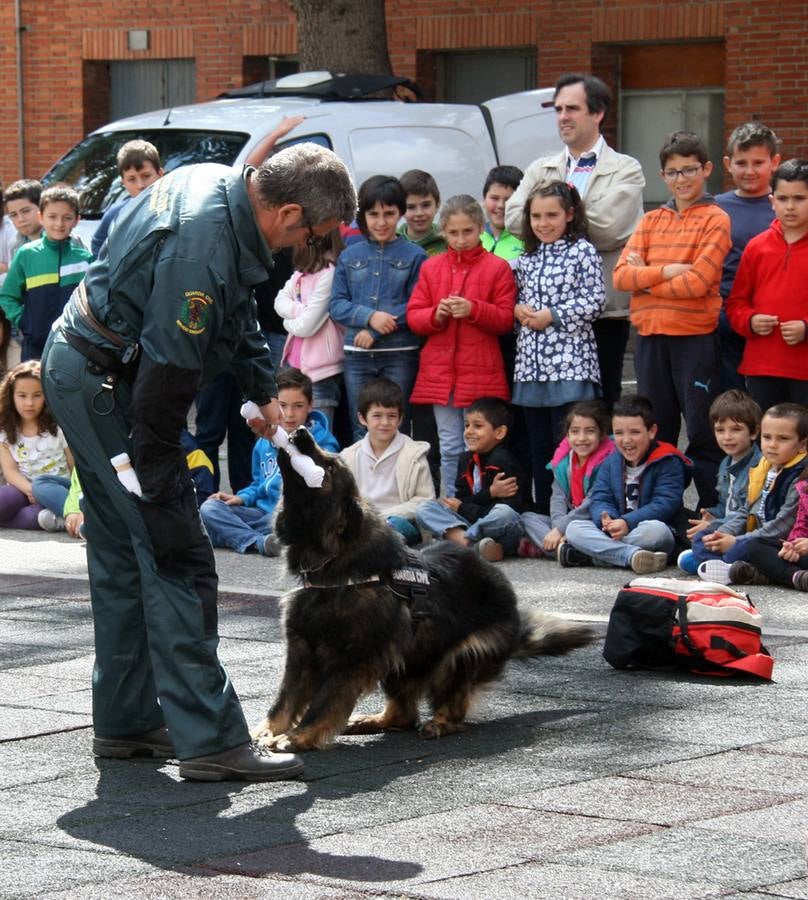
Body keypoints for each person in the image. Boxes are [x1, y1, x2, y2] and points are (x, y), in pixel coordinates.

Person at [41, 142, 356, 782]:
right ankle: (210, 738)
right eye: (314, 236)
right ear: (289, 210)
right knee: (175, 551)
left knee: (123, 551)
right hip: (113, 385)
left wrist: (264, 390)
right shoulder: (202, 247)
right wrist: (161, 479)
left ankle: (127, 721)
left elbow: (235, 310)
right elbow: (166, 379)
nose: (311, 251)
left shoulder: (221, 183)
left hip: (86, 364)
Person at [505, 73, 644, 409]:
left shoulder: (625, 169)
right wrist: (566, 218)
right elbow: (512, 219)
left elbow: (610, 227)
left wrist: (547, 221)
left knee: (598, 411)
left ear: (597, 114)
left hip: (604, 313)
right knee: (545, 417)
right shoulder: (542, 167)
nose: (563, 116)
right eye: (558, 109)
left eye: (572, 109)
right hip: (540, 318)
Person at [614, 130, 731, 509]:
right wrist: (668, 271)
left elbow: (699, 283)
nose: (682, 179)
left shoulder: (716, 219)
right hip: (650, 339)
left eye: (689, 170)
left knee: (702, 430)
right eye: (673, 172)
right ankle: (662, 508)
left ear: (707, 169)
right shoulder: (651, 221)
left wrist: (646, 277)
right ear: (663, 176)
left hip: (693, 339)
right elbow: (621, 278)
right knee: (658, 429)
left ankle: (710, 509)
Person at [406, 195, 515, 496]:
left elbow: (506, 320)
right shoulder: (431, 268)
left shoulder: (497, 267)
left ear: (480, 227)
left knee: (482, 445)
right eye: (453, 233)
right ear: (443, 231)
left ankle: (480, 504)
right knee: (450, 444)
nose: (461, 239)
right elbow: (414, 317)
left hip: (480, 372)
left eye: (467, 231)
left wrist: (474, 309)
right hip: (442, 373)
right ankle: (450, 503)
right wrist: (436, 315)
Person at [513, 180, 606, 513]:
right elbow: (519, 300)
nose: (543, 223)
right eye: (536, 215)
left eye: (551, 214)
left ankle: (576, 508)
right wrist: (518, 310)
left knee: (569, 443)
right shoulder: (527, 256)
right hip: (531, 365)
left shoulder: (582, 251)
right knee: (539, 445)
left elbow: (596, 302)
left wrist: (552, 315)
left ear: (569, 214)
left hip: (570, 361)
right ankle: (543, 510)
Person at [200, 368, 338, 554]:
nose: (289, 414)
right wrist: (241, 497)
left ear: (310, 405)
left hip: (297, 516)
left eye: (298, 405)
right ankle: (261, 542)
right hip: (264, 515)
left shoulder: (323, 443)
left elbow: (326, 490)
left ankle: (244, 539)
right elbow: (258, 485)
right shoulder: (263, 444)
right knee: (209, 509)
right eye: (282, 405)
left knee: (211, 533)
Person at [330, 175, 426, 440]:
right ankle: (363, 483)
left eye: (389, 213)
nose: (381, 222)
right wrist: (369, 317)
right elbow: (336, 304)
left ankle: (397, 482)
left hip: (400, 353)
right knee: (361, 426)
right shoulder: (349, 255)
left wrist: (376, 331)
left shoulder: (416, 255)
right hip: (357, 354)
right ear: (363, 215)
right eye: (374, 214)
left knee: (397, 426)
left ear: (401, 213)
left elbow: (419, 304)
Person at [562, 394, 690, 573]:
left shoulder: (667, 461)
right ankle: (631, 557)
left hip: (647, 529)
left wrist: (627, 522)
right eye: (619, 433)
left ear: (651, 431)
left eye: (635, 432)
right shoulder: (612, 460)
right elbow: (600, 496)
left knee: (656, 531)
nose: (626, 440)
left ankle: (593, 555)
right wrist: (606, 517)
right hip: (616, 529)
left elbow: (665, 503)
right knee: (574, 528)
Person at [726, 158, 808, 411]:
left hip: (804, 369)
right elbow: (736, 303)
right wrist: (750, 321)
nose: (790, 206)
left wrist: (806, 327)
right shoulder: (756, 246)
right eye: (782, 199)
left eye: (800, 198)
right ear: (772, 202)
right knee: (768, 444)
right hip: (762, 367)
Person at [694, 402, 808, 584]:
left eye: (783, 439)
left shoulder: (799, 476)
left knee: (751, 548)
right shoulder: (764, 467)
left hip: (775, 540)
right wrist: (721, 533)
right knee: (704, 536)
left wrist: (736, 541)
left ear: (802, 445)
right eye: (767, 437)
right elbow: (747, 510)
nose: (772, 445)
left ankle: (725, 567)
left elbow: (782, 525)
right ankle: (723, 567)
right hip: (757, 535)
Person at [415, 397, 531, 561]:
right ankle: (474, 545)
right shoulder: (465, 459)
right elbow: (461, 501)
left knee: (504, 513)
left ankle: (462, 541)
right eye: (467, 425)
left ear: (499, 432)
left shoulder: (503, 461)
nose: (469, 431)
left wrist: (465, 507)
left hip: (504, 529)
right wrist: (489, 493)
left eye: (478, 426)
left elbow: (513, 508)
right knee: (424, 509)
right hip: (475, 521)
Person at [715, 123, 781, 391]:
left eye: (758, 162)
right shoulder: (714, 206)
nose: (750, 171)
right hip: (723, 321)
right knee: (731, 400)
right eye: (742, 163)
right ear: (728, 164)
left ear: (775, 162)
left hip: (773, 322)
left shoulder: (787, 206)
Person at [0, 185, 93, 361]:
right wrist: (25, 322)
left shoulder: (85, 258)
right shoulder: (26, 254)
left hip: (75, 348)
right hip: (35, 348)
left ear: (77, 220)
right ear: (41, 217)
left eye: (67, 218)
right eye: (52, 217)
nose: (59, 224)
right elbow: (7, 296)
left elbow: (95, 300)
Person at [339, 377, 434, 546]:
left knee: (393, 528)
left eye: (391, 416)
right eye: (377, 415)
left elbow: (424, 501)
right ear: (362, 418)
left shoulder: (414, 454)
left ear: (400, 418)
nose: (385, 422)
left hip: (399, 522)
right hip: (361, 523)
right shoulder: (348, 456)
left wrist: (381, 516)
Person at [677, 389, 762, 574]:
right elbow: (726, 505)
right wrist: (712, 515)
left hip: (745, 532)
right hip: (726, 526)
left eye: (736, 429)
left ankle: (723, 566)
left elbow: (747, 515)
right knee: (687, 527)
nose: (727, 437)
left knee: (701, 541)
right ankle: (717, 564)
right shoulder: (726, 462)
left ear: (754, 432)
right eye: (720, 430)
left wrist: (713, 525)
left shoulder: (759, 466)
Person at [519, 400, 615, 558]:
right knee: (526, 518)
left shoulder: (607, 461)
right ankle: (567, 549)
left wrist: (561, 530)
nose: (581, 438)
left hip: (591, 521)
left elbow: (592, 503)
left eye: (590, 431)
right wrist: (558, 528)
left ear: (602, 433)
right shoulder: (563, 462)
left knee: (577, 530)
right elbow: (558, 498)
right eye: (575, 431)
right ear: (567, 435)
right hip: (568, 521)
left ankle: (563, 549)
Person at [274, 227, 345, 426]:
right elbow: (278, 301)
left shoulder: (330, 274)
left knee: (319, 438)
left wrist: (289, 320)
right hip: (293, 366)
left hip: (321, 371)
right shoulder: (300, 274)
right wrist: (303, 310)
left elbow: (307, 326)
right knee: (289, 431)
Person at [0, 360, 72, 530]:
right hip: (23, 488)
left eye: (37, 395)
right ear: (12, 396)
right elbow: (10, 472)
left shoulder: (59, 428)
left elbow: (74, 466)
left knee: (34, 516)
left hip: (55, 490)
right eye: (22, 395)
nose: (29, 403)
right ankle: (55, 519)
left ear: (47, 395)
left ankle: (58, 517)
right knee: (3, 500)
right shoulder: (5, 432)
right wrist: (30, 490)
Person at [729, 473, 808, 591]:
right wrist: (792, 548)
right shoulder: (805, 487)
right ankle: (796, 577)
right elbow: (801, 526)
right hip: (804, 554)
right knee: (756, 545)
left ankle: (765, 574)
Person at [90, 140, 164, 258]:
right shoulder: (115, 215)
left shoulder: (173, 211)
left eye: (146, 176)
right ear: (123, 182)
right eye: (132, 179)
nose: (140, 185)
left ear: (160, 174)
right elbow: (98, 246)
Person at [397, 169, 446, 256]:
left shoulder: (450, 242)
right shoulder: (390, 243)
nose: (419, 213)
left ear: (438, 204)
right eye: (411, 207)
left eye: (426, 205)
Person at [481, 165, 524, 261]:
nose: (501, 205)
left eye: (509, 199)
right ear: (484, 199)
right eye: (494, 198)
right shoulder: (472, 238)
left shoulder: (528, 241)